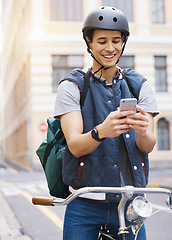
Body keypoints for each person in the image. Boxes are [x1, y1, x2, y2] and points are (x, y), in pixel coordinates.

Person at [54, 6, 159, 240]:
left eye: (116, 40)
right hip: (84, 204)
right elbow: (75, 146)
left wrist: (143, 131)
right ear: (89, 43)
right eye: (102, 41)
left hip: (130, 202)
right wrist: (102, 131)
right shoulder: (72, 87)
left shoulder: (139, 86)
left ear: (123, 43)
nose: (110, 48)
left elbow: (148, 146)